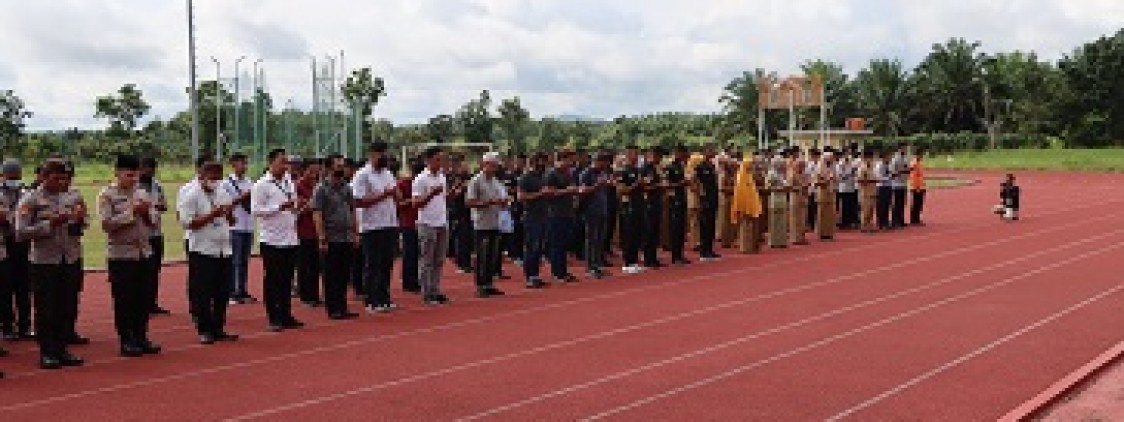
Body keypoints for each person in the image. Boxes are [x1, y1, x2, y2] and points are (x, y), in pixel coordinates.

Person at [16, 159, 86, 369]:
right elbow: (20, 232)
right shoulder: (31, 199)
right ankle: (47, 351)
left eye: (64, 178)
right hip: (45, 261)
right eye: (56, 178)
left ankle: (62, 348)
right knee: (46, 308)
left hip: (69, 257)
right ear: (44, 177)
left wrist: (80, 220)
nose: (61, 182)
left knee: (66, 305)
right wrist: (50, 224)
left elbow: (84, 224)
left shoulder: (72, 196)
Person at [99, 154, 162, 357]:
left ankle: (141, 336)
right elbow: (107, 224)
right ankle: (126, 340)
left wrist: (146, 213)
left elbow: (154, 220)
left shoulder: (142, 192)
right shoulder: (107, 195)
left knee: (142, 298)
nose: (133, 179)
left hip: (143, 252)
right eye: (129, 175)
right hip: (121, 255)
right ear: (117, 173)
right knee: (124, 300)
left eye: (135, 175)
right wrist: (131, 213)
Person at [179, 160, 240, 344]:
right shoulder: (191, 195)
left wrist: (229, 213)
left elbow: (232, 221)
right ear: (202, 176)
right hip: (202, 250)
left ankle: (218, 327)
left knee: (222, 292)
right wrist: (212, 215)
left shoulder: (222, 192)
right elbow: (187, 223)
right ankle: (204, 329)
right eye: (212, 178)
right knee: (203, 293)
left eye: (218, 178)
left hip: (223, 249)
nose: (215, 182)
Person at [251, 149, 304, 332]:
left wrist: (297, 206)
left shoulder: (289, 181)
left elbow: (293, 203)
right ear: (271, 162)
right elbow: (256, 210)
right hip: (272, 239)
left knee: (287, 279)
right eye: (282, 162)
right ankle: (273, 317)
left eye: (286, 162)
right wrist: (279, 207)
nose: (285, 166)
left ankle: (286, 314)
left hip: (290, 237)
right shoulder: (261, 185)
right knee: (273, 279)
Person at [352, 143, 400, 313]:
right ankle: (371, 300)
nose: (385, 157)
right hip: (372, 226)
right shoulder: (362, 175)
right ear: (372, 154)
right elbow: (358, 201)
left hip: (389, 223)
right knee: (373, 264)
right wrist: (383, 195)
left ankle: (384, 297)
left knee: (387, 263)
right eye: (382, 154)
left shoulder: (388, 173)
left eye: (386, 154)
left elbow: (396, 195)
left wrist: (395, 193)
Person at [312, 156, 360, 320]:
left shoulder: (347, 187)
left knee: (344, 274)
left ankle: (342, 306)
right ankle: (333, 308)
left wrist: (355, 232)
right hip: (331, 237)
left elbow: (352, 210)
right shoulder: (321, 189)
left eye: (342, 165)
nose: (341, 168)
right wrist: (322, 237)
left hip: (346, 236)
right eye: (338, 166)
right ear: (329, 168)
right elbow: (317, 214)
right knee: (331, 274)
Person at [465, 152, 508, 298]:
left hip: (494, 221)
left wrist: (503, 202)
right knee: (482, 255)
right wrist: (487, 203)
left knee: (492, 255)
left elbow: (501, 198)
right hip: (481, 223)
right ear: (485, 164)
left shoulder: (495, 181)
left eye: (496, 165)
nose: (495, 168)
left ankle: (489, 283)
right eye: (493, 165)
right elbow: (469, 202)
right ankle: (480, 285)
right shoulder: (476, 181)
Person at [413, 147, 451, 305]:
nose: (440, 163)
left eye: (441, 159)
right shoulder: (421, 179)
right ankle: (426, 291)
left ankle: (435, 289)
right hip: (427, 222)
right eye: (437, 159)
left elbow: (442, 198)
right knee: (427, 259)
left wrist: (450, 194)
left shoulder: (442, 177)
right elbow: (416, 203)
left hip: (441, 221)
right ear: (428, 160)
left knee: (439, 259)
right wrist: (431, 194)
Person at [1, 159, 32, 341]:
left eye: (16, 177)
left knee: (24, 287)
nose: (14, 180)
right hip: (5, 244)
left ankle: (25, 326)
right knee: (5, 288)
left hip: (22, 244)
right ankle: (7, 327)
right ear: (3, 175)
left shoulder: (26, 192)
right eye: (10, 177)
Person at [221, 153, 256, 304]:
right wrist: (244, 196)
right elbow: (226, 204)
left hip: (248, 225)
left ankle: (241, 289)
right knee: (235, 260)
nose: (245, 166)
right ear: (233, 164)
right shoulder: (226, 183)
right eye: (242, 163)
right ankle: (232, 290)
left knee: (244, 260)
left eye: (246, 163)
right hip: (234, 226)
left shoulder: (249, 182)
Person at [545, 151, 580, 283]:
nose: (572, 163)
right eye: (570, 160)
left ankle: (563, 271)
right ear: (562, 159)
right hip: (556, 213)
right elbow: (549, 194)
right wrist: (566, 191)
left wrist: (575, 191)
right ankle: (557, 272)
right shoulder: (552, 174)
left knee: (564, 243)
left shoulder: (568, 173)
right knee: (557, 243)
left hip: (567, 212)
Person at [518, 153, 551, 288]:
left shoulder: (543, 177)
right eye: (542, 161)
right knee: (532, 246)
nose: (544, 164)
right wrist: (540, 194)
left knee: (539, 247)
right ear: (535, 162)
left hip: (543, 215)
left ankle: (535, 274)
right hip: (531, 216)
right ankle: (530, 276)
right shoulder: (526, 177)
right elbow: (521, 197)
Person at [578, 152, 613, 278]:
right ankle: (590, 267)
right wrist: (596, 186)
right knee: (591, 239)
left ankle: (597, 265)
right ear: (597, 161)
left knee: (600, 238)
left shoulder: (602, 173)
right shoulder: (586, 173)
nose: (605, 165)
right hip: (590, 210)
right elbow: (582, 191)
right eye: (603, 162)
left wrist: (607, 184)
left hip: (602, 209)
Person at [295, 158, 324, 307]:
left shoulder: (319, 186)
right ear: (303, 171)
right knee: (304, 264)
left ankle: (314, 295)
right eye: (311, 171)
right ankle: (305, 295)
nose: (314, 174)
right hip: (303, 230)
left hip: (317, 230)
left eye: (317, 171)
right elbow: (297, 208)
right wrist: (310, 204)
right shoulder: (298, 186)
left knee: (315, 265)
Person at [616, 146, 646, 274]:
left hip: (639, 204)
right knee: (629, 234)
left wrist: (643, 184)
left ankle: (634, 261)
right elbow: (621, 190)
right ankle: (627, 262)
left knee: (637, 234)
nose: (636, 156)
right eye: (634, 154)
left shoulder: (637, 170)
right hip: (629, 206)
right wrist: (636, 184)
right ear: (628, 155)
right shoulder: (624, 171)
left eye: (637, 154)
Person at [395, 158, 421, 294]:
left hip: (421, 222)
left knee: (418, 254)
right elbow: (399, 203)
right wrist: (412, 200)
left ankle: (415, 280)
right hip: (407, 222)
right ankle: (408, 281)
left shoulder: (422, 183)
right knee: (409, 253)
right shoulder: (403, 184)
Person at [446, 155, 473, 274]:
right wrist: (461, 187)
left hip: (469, 212)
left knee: (467, 238)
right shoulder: (451, 178)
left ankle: (466, 262)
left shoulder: (470, 177)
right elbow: (451, 195)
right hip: (458, 211)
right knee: (461, 237)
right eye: (462, 165)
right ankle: (462, 263)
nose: (465, 167)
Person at [732, 156, 763, 254]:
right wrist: (743, 207)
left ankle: (752, 246)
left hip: (753, 205)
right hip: (744, 206)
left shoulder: (749, 176)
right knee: (745, 227)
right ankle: (745, 247)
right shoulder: (741, 177)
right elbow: (740, 193)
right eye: (751, 164)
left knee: (752, 227)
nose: (752, 166)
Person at [665, 146, 691, 266]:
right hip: (674, 200)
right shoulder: (670, 168)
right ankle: (675, 256)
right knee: (675, 228)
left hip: (681, 199)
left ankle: (680, 254)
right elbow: (667, 185)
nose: (684, 156)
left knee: (681, 228)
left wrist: (686, 182)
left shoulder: (681, 167)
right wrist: (681, 183)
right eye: (682, 154)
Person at [641, 147, 666, 268]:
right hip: (649, 202)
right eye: (658, 156)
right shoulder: (646, 169)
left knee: (656, 230)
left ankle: (653, 257)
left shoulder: (658, 169)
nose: (660, 159)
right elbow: (644, 187)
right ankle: (648, 258)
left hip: (657, 201)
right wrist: (658, 186)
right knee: (649, 230)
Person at [695, 146, 721, 261]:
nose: (712, 152)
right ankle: (704, 251)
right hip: (705, 199)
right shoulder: (700, 166)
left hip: (713, 197)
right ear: (704, 152)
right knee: (705, 225)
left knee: (711, 224)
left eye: (712, 150)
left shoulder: (712, 166)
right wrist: (700, 193)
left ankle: (709, 249)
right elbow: (694, 181)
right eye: (709, 150)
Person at [765, 155, 790, 248]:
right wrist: (778, 188)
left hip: (782, 196)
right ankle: (774, 241)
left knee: (782, 220)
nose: (783, 166)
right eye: (781, 164)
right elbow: (767, 187)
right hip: (775, 197)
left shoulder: (781, 174)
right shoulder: (771, 173)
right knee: (775, 220)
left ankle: (781, 241)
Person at [815, 152, 838, 241]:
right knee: (822, 213)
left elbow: (835, 178)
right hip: (823, 192)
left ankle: (829, 233)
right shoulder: (819, 168)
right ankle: (822, 233)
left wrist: (833, 180)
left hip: (831, 192)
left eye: (832, 158)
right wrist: (826, 181)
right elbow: (816, 182)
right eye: (829, 158)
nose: (831, 160)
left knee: (830, 214)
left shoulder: (833, 167)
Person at [788, 153, 810, 246]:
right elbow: (789, 186)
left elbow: (808, 183)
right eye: (800, 166)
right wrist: (799, 188)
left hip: (803, 197)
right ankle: (795, 238)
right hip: (795, 197)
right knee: (795, 219)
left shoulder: (804, 174)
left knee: (803, 218)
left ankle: (801, 237)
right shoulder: (792, 174)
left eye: (803, 166)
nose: (802, 168)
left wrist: (806, 186)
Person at [857, 150, 880, 234]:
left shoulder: (873, 167)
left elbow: (877, 177)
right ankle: (864, 226)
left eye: (871, 158)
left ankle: (869, 224)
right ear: (865, 158)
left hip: (873, 190)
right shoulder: (862, 168)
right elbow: (859, 180)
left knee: (871, 210)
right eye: (869, 158)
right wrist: (869, 181)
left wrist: (875, 181)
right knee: (865, 210)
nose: (870, 160)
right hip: (865, 192)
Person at [836, 152, 860, 230]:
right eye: (846, 154)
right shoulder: (840, 164)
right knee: (844, 206)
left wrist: (853, 172)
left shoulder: (852, 163)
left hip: (851, 187)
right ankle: (844, 222)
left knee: (851, 206)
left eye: (848, 154)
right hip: (843, 188)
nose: (847, 156)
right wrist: (849, 174)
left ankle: (851, 222)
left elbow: (856, 173)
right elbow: (840, 176)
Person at [890, 143, 911, 228]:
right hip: (896, 184)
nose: (905, 150)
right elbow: (892, 171)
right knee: (897, 203)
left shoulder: (905, 158)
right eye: (904, 148)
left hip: (904, 183)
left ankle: (901, 219)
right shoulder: (895, 159)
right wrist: (901, 171)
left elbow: (907, 168)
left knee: (902, 203)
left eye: (905, 149)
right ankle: (895, 221)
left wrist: (908, 170)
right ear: (899, 149)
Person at [875, 150, 894, 231]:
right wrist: (889, 177)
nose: (890, 158)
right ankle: (881, 223)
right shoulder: (879, 165)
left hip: (888, 186)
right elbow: (878, 177)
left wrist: (891, 176)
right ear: (884, 157)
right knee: (881, 205)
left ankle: (885, 221)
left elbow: (890, 173)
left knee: (887, 205)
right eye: (888, 156)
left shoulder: (888, 165)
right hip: (881, 187)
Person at [909, 149, 927, 226]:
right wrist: (917, 187)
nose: (922, 156)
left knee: (919, 204)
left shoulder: (919, 163)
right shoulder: (914, 163)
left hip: (921, 186)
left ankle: (917, 219)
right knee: (915, 204)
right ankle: (914, 220)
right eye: (921, 155)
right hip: (916, 186)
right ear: (917, 155)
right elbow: (913, 176)